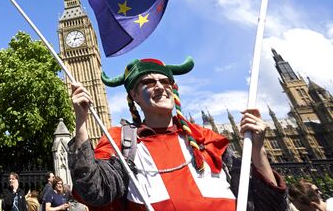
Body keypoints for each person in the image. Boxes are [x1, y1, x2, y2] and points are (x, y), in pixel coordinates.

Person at [68, 57, 288, 211]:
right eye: (148, 82)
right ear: (133, 95)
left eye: (165, 81)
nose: (160, 87)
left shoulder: (206, 139)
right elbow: (93, 191)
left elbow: (271, 206)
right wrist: (81, 122)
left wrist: (258, 151)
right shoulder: (123, 142)